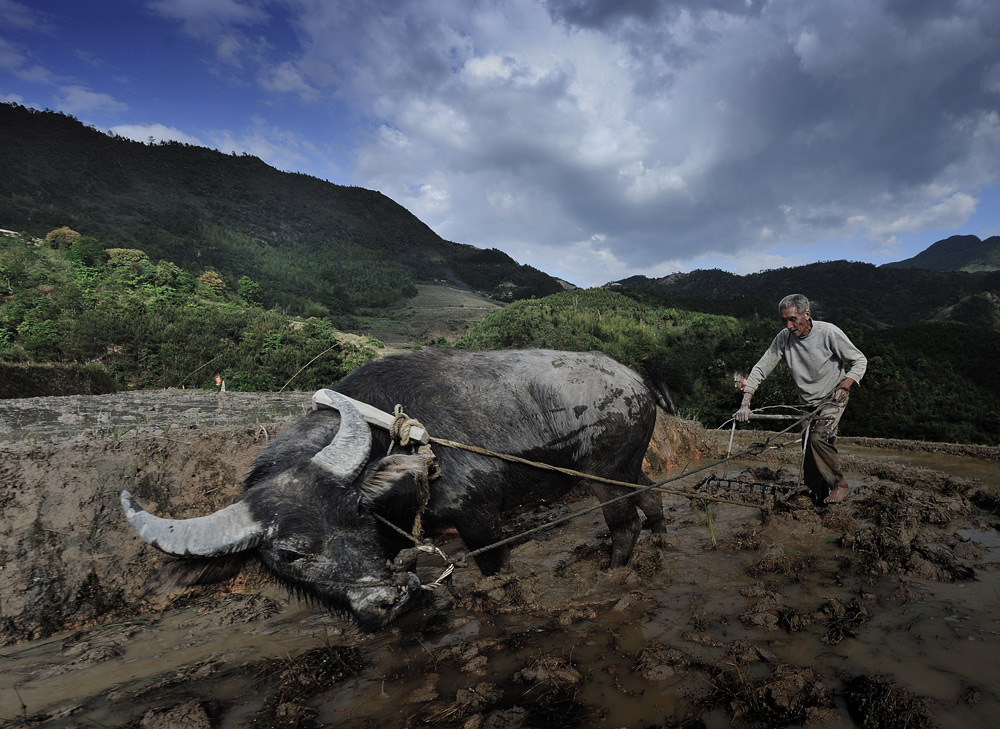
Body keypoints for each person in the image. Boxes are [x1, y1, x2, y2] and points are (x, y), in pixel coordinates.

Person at [735, 294, 867, 505]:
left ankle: (839, 485)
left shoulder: (828, 333)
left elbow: (859, 360)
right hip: (806, 401)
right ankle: (816, 494)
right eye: (784, 320)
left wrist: (845, 385)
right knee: (808, 446)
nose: (788, 325)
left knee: (818, 439)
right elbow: (762, 367)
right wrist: (745, 402)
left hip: (833, 396)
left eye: (793, 319)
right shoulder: (783, 338)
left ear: (807, 315)